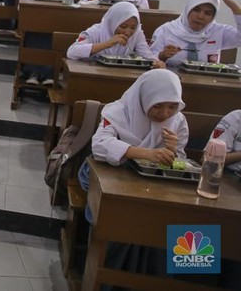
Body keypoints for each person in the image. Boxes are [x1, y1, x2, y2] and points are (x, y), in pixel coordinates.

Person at [78, 69, 187, 279]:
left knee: (169, 226)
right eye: (157, 106)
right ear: (145, 99)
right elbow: (100, 145)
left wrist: (172, 151)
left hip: (151, 184)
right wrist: (145, 153)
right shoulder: (119, 111)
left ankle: (153, 280)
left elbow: (179, 161)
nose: (165, 114)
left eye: (173, 106)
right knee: (124, 223)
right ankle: (107, 280)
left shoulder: (178, 120)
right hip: (109, 176)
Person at [151, 0, 241, 67]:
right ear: (188, 10)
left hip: (207, 82)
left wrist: (232, 4)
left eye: (208, 13)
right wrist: (162, 55)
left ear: (213, 17)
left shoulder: (218, 31)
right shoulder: (166, 30)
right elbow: (148, 58)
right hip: (171, 80)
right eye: (196, 10)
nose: (200, 16)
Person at [66, 1, 164, 68]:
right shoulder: (96, 31)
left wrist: (157, 62)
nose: (128, 32)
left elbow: (147, 55)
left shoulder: (137, 34)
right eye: (123, 26)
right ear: (114, 22)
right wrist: (107, 44)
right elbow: (72, 51)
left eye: (133, 28)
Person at [18, 0, 67, 85]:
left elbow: (68, 4)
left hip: (54, 23)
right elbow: (23, 4)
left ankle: (48, 73)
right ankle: (32, 72)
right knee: (34, 39)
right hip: (35, 22)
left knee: (53, 41)